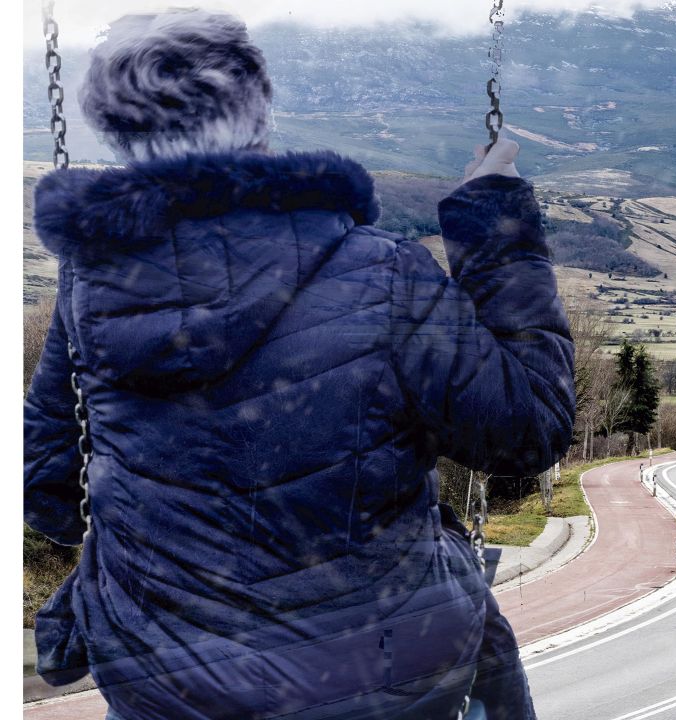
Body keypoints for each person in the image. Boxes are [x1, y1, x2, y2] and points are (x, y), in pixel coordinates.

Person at [24, 9, 574, 719]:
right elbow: (526, 433)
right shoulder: (384, 274)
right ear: (260, 114)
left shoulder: (90, 291)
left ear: (120, 134)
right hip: (376, 681)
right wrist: (496, 229)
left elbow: (50, 495)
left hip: (168, 687)